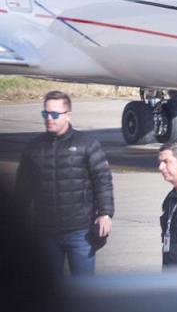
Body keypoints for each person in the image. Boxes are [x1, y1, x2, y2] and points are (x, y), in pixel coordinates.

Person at [14, 90, 114, 276]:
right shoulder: (33, 148)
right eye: (45, 114)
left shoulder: (87, 144)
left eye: (54, 114)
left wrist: (105, 213)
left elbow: (103, 180)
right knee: (49, 293)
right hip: (45, 233)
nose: (49, 118)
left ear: (68, 115)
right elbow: (22, 189)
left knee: (84, 291)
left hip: (81, 233)